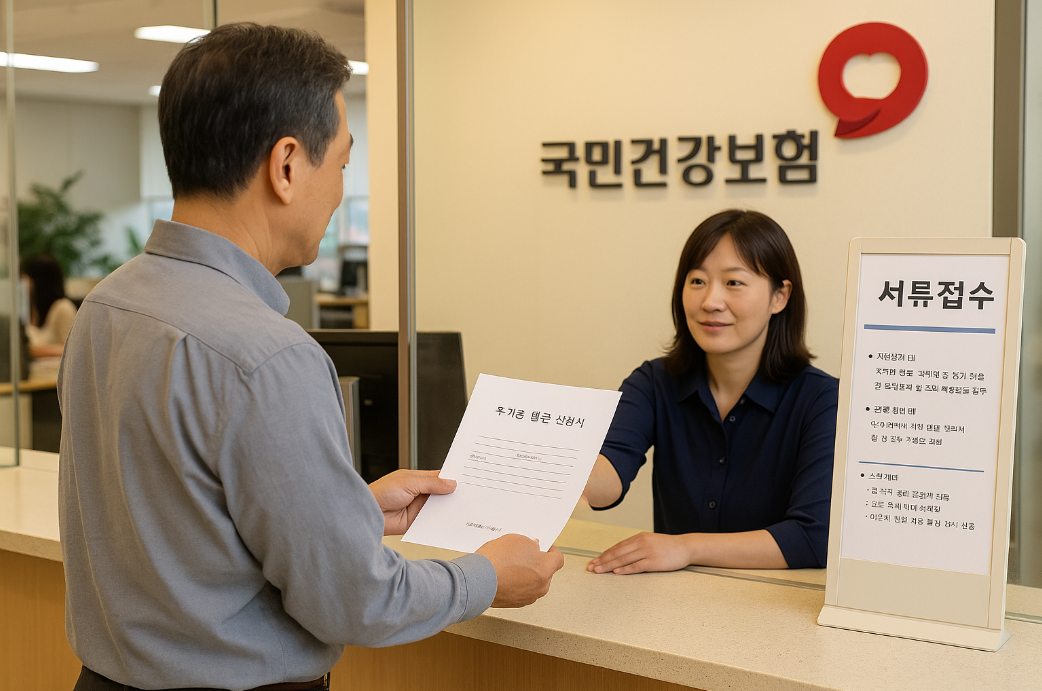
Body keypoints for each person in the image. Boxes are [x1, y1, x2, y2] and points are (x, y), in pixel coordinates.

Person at [58, 23, 563, 691]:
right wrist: (488, 574)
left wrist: (342, 508)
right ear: (288, 164)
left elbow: (178, 513)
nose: (340, 191)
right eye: (344, 164)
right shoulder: (268, 356)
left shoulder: (108, 305)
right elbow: (355, 599)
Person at [582, 209, 838, 574]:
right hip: (676, 605)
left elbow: (813, 537)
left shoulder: (821, 400)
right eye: (698, 281)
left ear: (779, 296)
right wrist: (556, 476)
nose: (710, 301)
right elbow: (609, 470)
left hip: (779, 605)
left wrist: (687, 546)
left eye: (733, 283)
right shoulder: (654, 382)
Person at [22, 253, 77, 358]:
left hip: (52, 372)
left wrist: (33, 351)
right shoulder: (33, 310)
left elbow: (73, 350)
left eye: (28, 278)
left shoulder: (63, 308)